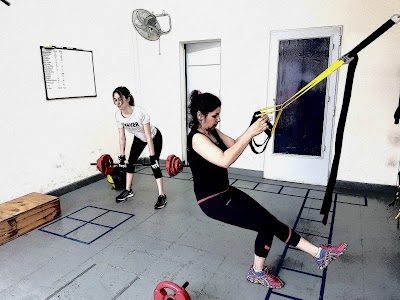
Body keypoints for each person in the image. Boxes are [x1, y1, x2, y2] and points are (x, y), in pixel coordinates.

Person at [186, 90, 347, 289]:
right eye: (215, 116)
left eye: (219, 114)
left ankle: (318, 254)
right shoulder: (197, 139)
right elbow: (225, 160)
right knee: (266, 225)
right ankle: (260, 271)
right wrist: (251, 133)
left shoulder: (211, 131)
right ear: (200, 116)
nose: (219, 119)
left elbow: (234, 145)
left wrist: (252, 127)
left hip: (225, 192)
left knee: (270, 222)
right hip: (212, 201)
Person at [112, 86, 167, 209]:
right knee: (130, 162)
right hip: (139, 137)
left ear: (128, 98)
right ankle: (128, 190)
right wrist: (121, 156)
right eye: (115, 100)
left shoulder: (140, 112)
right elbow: (122, 137)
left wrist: (152, 157)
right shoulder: (118, 115)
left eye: (120, 99)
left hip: (154, 137)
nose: (118, 103)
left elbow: (148, 136)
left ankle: (162, 195)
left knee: (155, 165)